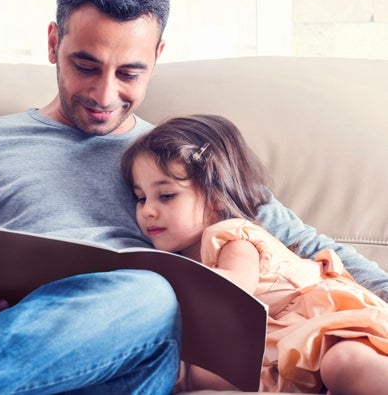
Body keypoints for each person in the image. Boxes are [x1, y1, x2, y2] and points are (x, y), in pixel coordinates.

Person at [0, 0, 386, 394]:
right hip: (20, 362)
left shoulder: (181, 159)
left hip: (139, 366)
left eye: (129, 73)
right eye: (85, 65)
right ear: (52, 42)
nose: (105, 95)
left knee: (149, 289)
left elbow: (308, 246)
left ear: (157, 58)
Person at [120, 113, 388, 394]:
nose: (148, 210)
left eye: (166, 196)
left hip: (324, 328)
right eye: (141, 198)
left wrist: (162, 280)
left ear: (215, 198)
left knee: (344, 363)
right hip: (279, 355)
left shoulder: (232, 236)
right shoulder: (187, 257)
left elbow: (235, 286)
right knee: (198, 378)